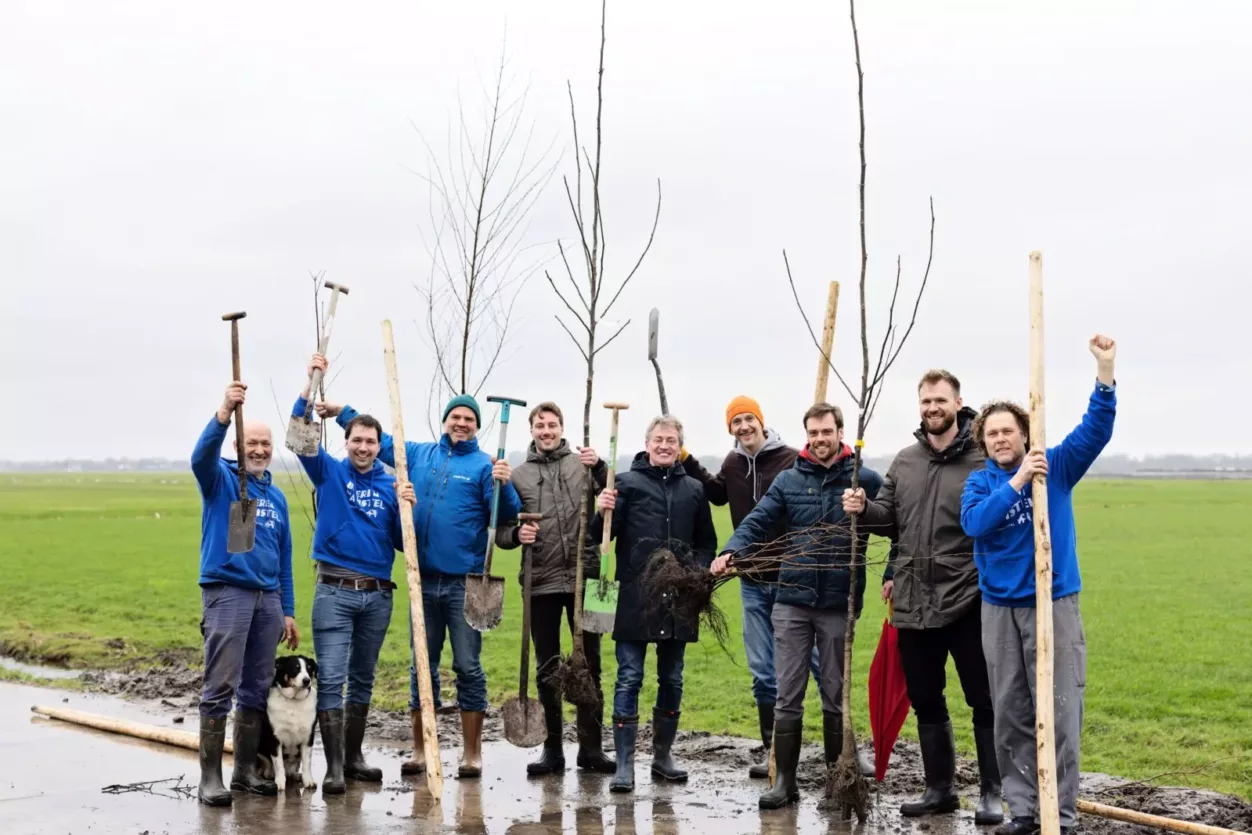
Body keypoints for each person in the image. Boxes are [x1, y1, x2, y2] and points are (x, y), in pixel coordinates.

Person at [316, 392, 520, 779]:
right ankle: (421, 749)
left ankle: (471, 754)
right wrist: (344, 413)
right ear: (445, 420)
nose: (461, 423)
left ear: (477, 426)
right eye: (455, 417)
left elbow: (505, 513)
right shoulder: (420, 455)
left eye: (469, 419)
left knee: (467, 666)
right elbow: (378, 440)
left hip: (465, 584)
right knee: (420, 667)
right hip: (420, 580)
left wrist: (504, 484)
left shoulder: (483, 465)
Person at [960, 335, 1117, 835]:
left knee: (1062, 711)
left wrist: (1106, 373)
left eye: (1009, 431)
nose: (1001, 439)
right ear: (983, 441)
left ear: (1026, 434)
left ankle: (1062, 817)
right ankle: (1025, 812)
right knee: (1011, 713)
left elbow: (1095, 431)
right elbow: (976, 524)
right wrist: (1019, 481)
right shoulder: (982, 483)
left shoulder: (1058, 467)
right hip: (999, 609)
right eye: (992, 434)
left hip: (1055, 603)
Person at [842, 369, 1003, 823]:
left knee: (982, 697)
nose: (932, 408)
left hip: (967, 597)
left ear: (957, 402)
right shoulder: (906, 460)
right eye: (925, 401)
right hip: (913, 600)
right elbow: (889, 519)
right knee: (926, 697)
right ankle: (940, 790)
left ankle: (993, 792)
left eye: (940, 400)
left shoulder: (981, 458)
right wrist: (863, 509)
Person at [712, 402, 884, 811]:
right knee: (787, 692)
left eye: (827, 432)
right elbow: (758, 520)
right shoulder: (790, 480)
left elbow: (894, 522)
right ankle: (784, 783)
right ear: (806, 434)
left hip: (837, 602)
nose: (820, 439)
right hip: (791, 601)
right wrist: (732, 550)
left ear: (840, 432)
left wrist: (885, 553)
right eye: (813, 433)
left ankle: (834, 780)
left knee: (833, 693)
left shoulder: (864, 479)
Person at [681, 394, 837, 779]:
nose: (744, 426)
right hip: (751, 580)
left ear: (762, 422)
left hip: (791, 580)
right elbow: (716, 492)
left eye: (749, 418)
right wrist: (685, 457)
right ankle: (772, 752)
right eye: (737, 421)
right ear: (730, 428)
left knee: (819, 664)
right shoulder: (733, 462)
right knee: (763, 669)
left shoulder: (789, 458)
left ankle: (841, 744)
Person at [292, 353, 409, 794]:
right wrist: (310, 383)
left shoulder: (390, 483)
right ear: (347, 441)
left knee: (363, 676)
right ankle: (334, 767)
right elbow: (298, 434)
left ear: (380, 446)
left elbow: (400, 541)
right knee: (334, 678)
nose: (363, 448)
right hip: (335, 592)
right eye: (357, 440)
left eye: (371, 442)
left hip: (378, 595)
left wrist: (406, 507)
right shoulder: (328, 471)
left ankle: (355, 756)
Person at [592, 415, 719, 794]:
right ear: (646, 444)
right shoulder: (626, 484)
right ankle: (625, 765)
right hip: (633, 597)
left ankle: (663, 758)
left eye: (671, 440)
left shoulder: (694, 490)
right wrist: (603, 509)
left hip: (678, 600)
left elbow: (706, 542)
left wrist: (693, 574)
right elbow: (603, 537)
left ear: (680, 445)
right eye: (658, 439)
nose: (664, 445)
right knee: (629, 676)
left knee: (672, 677)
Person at [493, 401, 616, 775]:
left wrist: (602, 466)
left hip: (589, 578)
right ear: (531, 431)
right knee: (547, 666)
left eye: (552, 424)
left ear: (562, 428)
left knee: (590, 664)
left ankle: (591, 750)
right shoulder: (518, 475)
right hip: (540, 581)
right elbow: (499, 534)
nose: (546, 431)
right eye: (539, 425)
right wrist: (517, 533)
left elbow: (611, 495)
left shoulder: (584, 464)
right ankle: (553, 752)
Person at [191, 379, 297, 806]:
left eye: (265, 444)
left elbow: (284, 558)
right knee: (220, 684)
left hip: (267, 600)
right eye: (251, 443)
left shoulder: (278, 498)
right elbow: (200, 457)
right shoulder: (220, 481)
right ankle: (209, 779)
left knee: (255, 688)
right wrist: (222, 412)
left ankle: (245, 772)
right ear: (238, 446)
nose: (259, 450)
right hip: (228, 593)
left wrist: (287, 610)